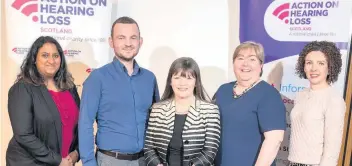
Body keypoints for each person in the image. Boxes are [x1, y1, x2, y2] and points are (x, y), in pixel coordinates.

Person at [78, 16, 160, 166]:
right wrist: (89, 163)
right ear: (111, 42)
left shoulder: (150, 78)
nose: (128, 43)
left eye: (133, 38)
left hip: (145, 161)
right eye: (121, 38)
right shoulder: (97, 78)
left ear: (140, 42)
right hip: (110, 161)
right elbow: (85, 123)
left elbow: (156, 123)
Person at [6, 36, 80, 166]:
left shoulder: (69, 87)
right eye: (45, 55)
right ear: (34, 59)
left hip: (65, 161)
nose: (51, 60)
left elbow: (80, 124)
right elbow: (23, 135)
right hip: (30, 162)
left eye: (56, 56)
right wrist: (58, 160)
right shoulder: (22, 89)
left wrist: (76, 153)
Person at [214, 41, 286, 166]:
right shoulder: (223, 90)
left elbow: (274, 140)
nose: (245, 63)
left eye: (252, 59)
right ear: (233, 63)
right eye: (240, 58)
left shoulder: (269, 94)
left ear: (261, 65)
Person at [144, 57, 221, 166]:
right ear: (170, 81)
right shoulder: (157, 109)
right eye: (177, 77)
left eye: (189, 78)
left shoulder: (210, 110)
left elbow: (210, 150)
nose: (182, 83)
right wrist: (157, 164)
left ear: (196, 82)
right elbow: (149, 147)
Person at [288, 41, 346, 166]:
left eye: (321, 63)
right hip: (292, 162)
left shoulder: (333, 99)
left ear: (330, 67)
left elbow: (332, 149)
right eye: (309, 63)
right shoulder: (300, 95)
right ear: (303, 66)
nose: (314, 68)